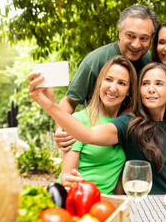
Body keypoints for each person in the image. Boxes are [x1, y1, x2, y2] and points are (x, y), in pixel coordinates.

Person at [28, 62, 166, 194]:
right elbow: (88, 135)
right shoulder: (130, 123)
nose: (151, 89)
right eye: (145, 83)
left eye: (159, 84)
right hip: (138, 204)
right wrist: (48, 104)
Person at [56, 4, 158, 151]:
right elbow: (69, 101)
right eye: (130, 36)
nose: (136, 44)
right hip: (94, 144)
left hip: (133, 143)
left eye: (144, 38)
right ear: (119, 32)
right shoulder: (95, 60)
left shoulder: (151, 63)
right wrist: (61, 131)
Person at [57, 56, 137, 194]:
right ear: (99, 82)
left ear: (129, 90)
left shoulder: (126, 124)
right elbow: (69, 179)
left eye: (122, 83)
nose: (113, 88)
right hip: (78, 198)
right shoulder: (79, 120)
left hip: (107, 203)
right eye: (108, 79)